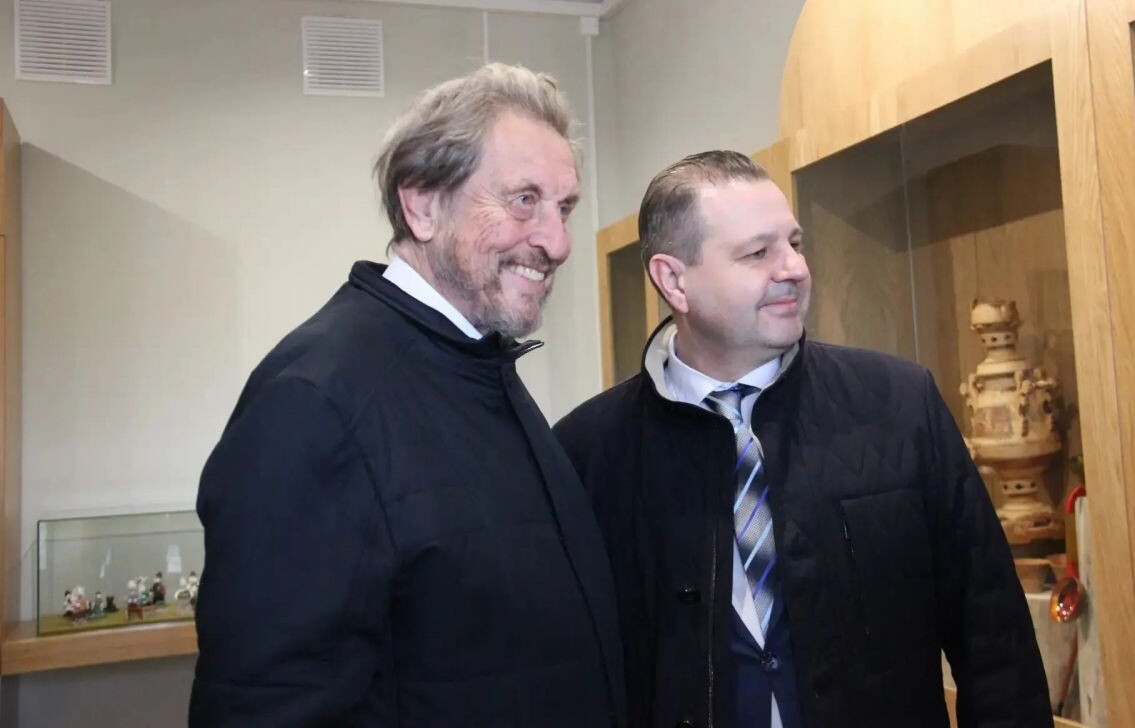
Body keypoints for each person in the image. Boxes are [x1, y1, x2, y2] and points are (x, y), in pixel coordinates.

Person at [190, 63, 625, 726]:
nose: (558, 242)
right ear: (422, 205)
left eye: (563, 207)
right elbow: (268, 704)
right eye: (523, 200)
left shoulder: (476, 363)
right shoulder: (314, 402)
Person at [554, 151, 1051, 728]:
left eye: (795, 243)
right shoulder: (586, 453)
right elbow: (570, 677)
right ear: (674, 280)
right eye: (757, 253)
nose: (793, 268)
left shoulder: (900, 405)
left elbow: (995, 641)